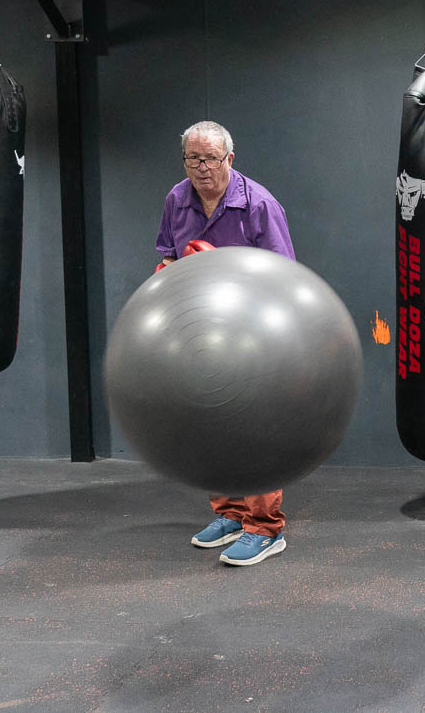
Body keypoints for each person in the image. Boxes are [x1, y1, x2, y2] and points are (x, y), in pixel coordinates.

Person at [155, 120, 295, 567]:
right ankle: (230, 513)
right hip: (199, 334)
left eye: (210, 158)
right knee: (208, 426)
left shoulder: (260, 205)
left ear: (229, 159)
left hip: (252, 335)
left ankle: (265, 527)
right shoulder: (177, 200)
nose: (201, 168)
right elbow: (168, 257)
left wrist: (223, 269)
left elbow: (281, 278)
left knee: (253, 430)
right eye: (192, 158)